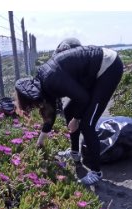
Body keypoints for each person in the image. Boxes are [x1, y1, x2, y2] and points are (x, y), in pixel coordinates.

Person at [15, 45, 124, 184]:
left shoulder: (51, 80)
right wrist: (40, 142)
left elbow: (83, 98)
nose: (38, 106)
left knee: (87, 124)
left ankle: (96, 172)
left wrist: (77, 119)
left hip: (109, 67)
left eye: (35, 104)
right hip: (94, 72)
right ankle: (74, 153)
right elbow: (51, 114)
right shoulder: (42, 82)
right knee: (68, 111)